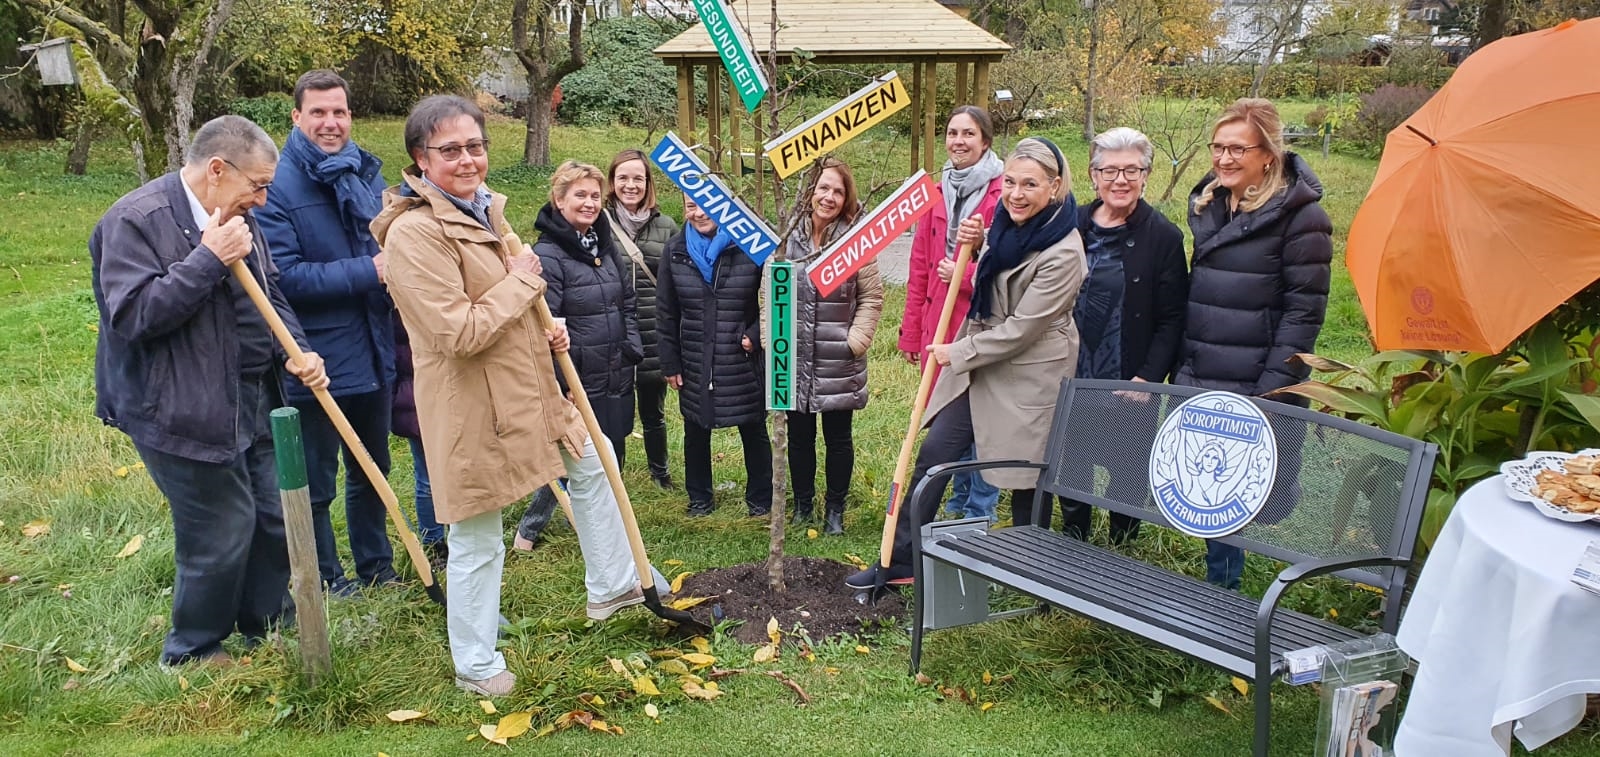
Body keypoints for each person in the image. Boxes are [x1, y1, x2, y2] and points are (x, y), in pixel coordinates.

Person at [373, 95, 647, 697]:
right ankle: (475, 665)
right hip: (470, 406)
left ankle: (612, 587)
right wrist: (522, 287)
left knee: (596, 459)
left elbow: (505, 305)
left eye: (475, 146)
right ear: (420, 160)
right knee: (476, 534)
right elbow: (459, 332)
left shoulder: (488, 213)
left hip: (530, 389)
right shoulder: (415, 235)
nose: (468, 159)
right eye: (450, 150)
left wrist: (543, 325)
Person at [90, 115, 329, 666]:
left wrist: (298, 349)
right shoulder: (136, 220)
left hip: (252, 395)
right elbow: (135, 316)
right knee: (221, 526)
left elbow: (271, 296)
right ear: (217, 169)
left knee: (272, 515)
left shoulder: (240, 215)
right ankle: (194, 648)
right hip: (177, 407)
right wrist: (208, 257)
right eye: (258, 185)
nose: (264, 200)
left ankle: (265, 625)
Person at [846, 137, 1086, 589]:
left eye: (1030, 184)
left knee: (1023, 480)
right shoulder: (1008, 224)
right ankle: (900, 563)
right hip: (983, 364)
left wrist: (955, 354)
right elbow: (992, 286)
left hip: (1029, 375)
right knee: (935, 456)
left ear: (1054, 187)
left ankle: (1030, 575)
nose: (1016, 193)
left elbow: (1023, 328)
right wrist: (976, 250)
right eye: (1011, 181)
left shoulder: (1065, 252)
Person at [1178, 98, 1332, 590]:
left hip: (1251, 374)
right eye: (1218, 147)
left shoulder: (1301, 219)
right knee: (1204, 482)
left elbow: (1303, 314)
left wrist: (1270, 390)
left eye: (1237, 149)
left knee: (1236, 490)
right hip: (1204, 364)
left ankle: (1224, 595)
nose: (1223, 159)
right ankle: (1215, 583)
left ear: (1268, 154)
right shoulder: (1211, 203)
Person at [257, 69, 397, 595]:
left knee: (373, 468)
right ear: (296, 117)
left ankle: (377, 568)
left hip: (372, 345)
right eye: (318, 112)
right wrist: (372, 271)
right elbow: (282, 278)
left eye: (339, 112)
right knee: (317, 480)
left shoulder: (359, 173)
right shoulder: (275, 185)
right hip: (312, 355)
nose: (330, 123)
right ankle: (324, 577)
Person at [1058, 127, 1189, 544]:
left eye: (1131, 170)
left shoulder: (1164, 237)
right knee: (1070, 463)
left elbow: (1172, 318)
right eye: (1110, 170)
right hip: (1071, 373)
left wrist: (1148, 376)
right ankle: (1073, 542)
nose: (1120, 180)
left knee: (1127, 474)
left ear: (1146, 175)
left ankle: (1120, 549)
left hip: (1127, 380)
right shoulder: (1069, 223)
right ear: (1093, 175)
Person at [514, 160, 642, 552]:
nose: (589, 203)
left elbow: (627, 301)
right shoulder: (549, 255)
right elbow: (543, 324)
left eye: (594, 196)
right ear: (559, 199)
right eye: (580, 195)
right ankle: (529, 529)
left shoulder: (605, 245)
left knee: (613, 443)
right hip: (578, 372)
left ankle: (610, 517)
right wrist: (559, 381)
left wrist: (630, 346)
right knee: (575, 453)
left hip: (615, 365)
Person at [900, 106, 1005, 522]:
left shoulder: (1003, 192)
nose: (958, 141)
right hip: (938, 327)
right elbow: (919, 267)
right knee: (947, 420)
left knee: (980, 422)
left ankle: (978, 512)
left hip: (978, 325)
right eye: (952, 133)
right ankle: (957, 505)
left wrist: (966, 273)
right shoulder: (936, 191)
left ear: (985, 141)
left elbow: (1009, 267)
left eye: (968, 133)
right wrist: (911, 334)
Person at [766, 158, 882, 535]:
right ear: (809, 192)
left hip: (838, 358)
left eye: (837, 190)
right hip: (793, 356)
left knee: (837, 437)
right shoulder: (787, 235)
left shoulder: (854, 239)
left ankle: (835, 509)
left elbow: (871, 297)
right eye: (822, 188)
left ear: (846, 197)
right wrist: (772, 338)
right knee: (799, 438)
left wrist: (856, 340)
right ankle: (802, 505)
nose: (828, 197)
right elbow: (767, 289)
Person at [656, 196, 772, 518]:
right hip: (694, 357)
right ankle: (700, 499)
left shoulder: (750, 246)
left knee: (753, 427)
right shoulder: (676, 250)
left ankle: (761, 500)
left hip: (741, 357)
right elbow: (666, 311)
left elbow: (775, 298)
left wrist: (755, 333)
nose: (699, 212)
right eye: (691, 206)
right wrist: (670, 361)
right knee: (696, 428)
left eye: (706, 204)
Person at [606, 149, 680, 491]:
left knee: (653, 411)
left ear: (648, 183)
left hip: (653, 331)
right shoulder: (598, 222)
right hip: (613, 334)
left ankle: (660, 473)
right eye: (623, 177)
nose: (630, 185)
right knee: (615, 415)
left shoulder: (666, 227)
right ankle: (613, 478)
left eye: (638, 178)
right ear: (612, 181)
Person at [391, 312, 446, 569]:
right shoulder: (397, 296)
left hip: (447, 386)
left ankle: (461, 535)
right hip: (416, 392)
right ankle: (434, 543)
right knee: (428, 477)